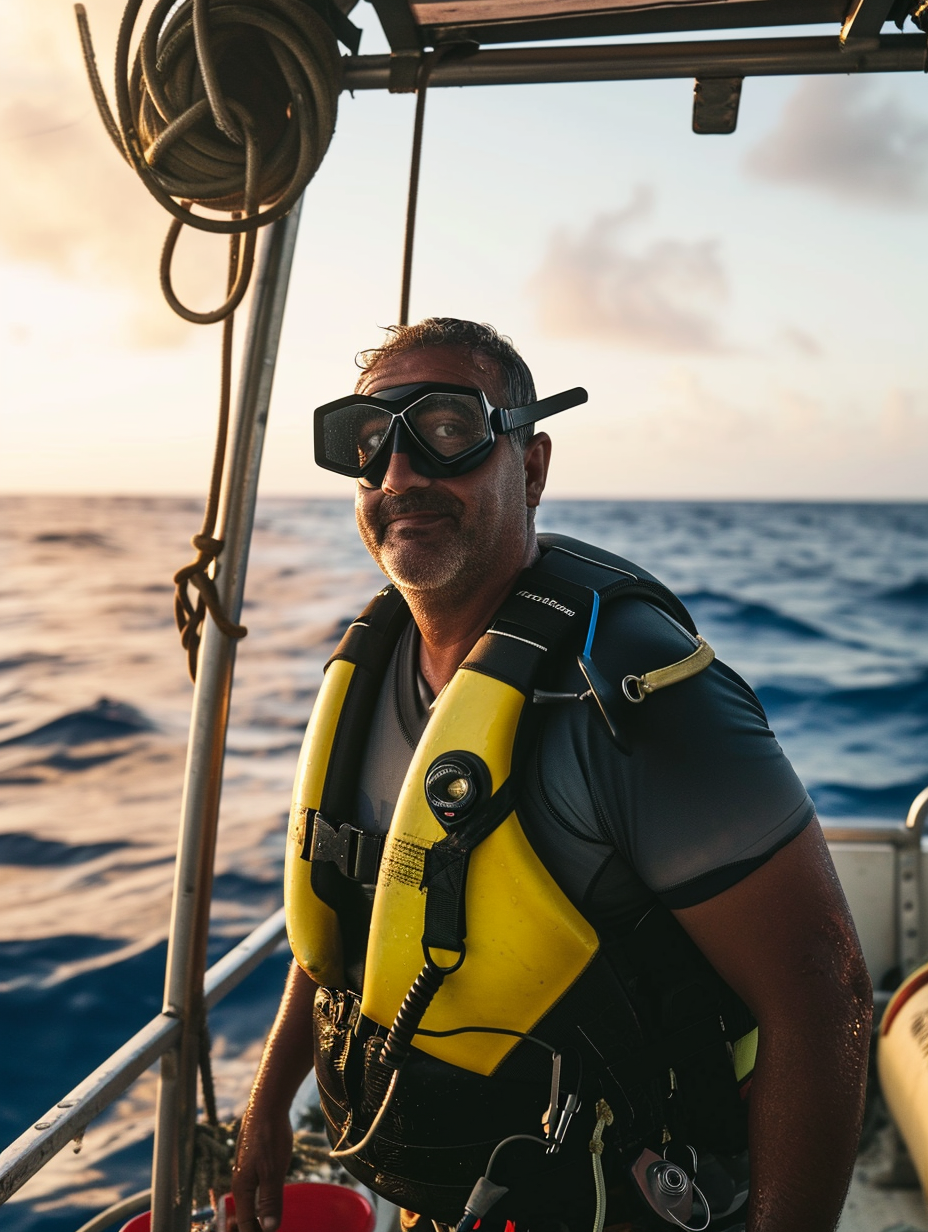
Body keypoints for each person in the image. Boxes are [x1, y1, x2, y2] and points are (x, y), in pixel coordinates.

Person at [232, 319, 872, 1232]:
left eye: (446, 429)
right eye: (367, 443)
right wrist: (268, 1103)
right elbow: (349, 916)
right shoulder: (373, 672)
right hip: (456, 1190)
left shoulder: (631, 698)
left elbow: (823, 994)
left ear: (529, 466)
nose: (401, 474)